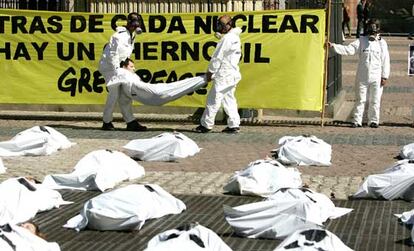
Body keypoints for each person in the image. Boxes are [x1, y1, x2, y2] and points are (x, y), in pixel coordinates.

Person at [328, 19, 390, 128]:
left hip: (377, 76)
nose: (372, 32)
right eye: (370, 29)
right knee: (360, 99)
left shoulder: (382, 43)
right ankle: (357, 121)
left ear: (378, 30)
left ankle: (374, 121)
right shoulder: (361, 41)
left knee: (375, 100)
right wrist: (333, 46)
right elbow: (349, 50)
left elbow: (386, 60)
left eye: (374, 29)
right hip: (362, 75)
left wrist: (385, 76)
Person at [194, 15, 242, 134]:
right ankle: (234, 125)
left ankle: (206, 125)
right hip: (232, 74)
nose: (219, 27)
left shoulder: (226, 39)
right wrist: (222, 38)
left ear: (229, 24)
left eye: (221, 24)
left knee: (213, 100)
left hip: (223, 75)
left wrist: (210, 72)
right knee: (229, 100)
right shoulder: (234, 37)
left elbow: (217, 57)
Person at [99, 12, 147, 131]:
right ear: (129, 24)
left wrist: (125, 66)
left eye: (136, 25)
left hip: (119, 67)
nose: (135, 27)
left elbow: (126, 53)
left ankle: (130, 121)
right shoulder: (118, 35)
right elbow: (112, 54)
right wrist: (116, 71)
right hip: (110, 67)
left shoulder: (132, 35)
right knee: (114, 94)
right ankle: (107, 122)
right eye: (133, 25)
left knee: (125, 94)